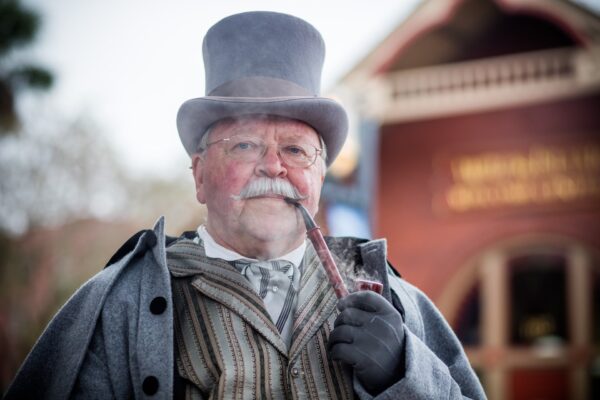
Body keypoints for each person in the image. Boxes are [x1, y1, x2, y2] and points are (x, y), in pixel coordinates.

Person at [5, 11, 486, 400]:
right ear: (198, 175)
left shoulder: (398, 302)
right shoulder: (119, 306)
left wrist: (405, 373)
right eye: (244, 146)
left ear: (318, 178)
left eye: (296, 151)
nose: (273, 167)